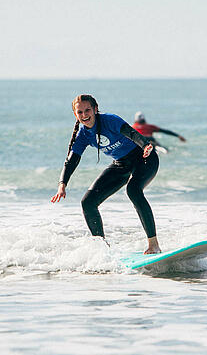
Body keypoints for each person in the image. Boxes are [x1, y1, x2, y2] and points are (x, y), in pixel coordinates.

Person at [51, 94, 161, 254]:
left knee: (133, 190)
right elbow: (72, 160)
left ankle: (154, 245)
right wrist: (62, 184)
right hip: (121, 164)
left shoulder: (110, 120)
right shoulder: (82, 135)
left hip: (144, 157)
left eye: (87, 110)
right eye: (80, 112)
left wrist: (145, 145)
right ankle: (103, 250)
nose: (84, 115)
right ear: (75, 114)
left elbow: (132, 133)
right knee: (88, 202)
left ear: (95, 109)